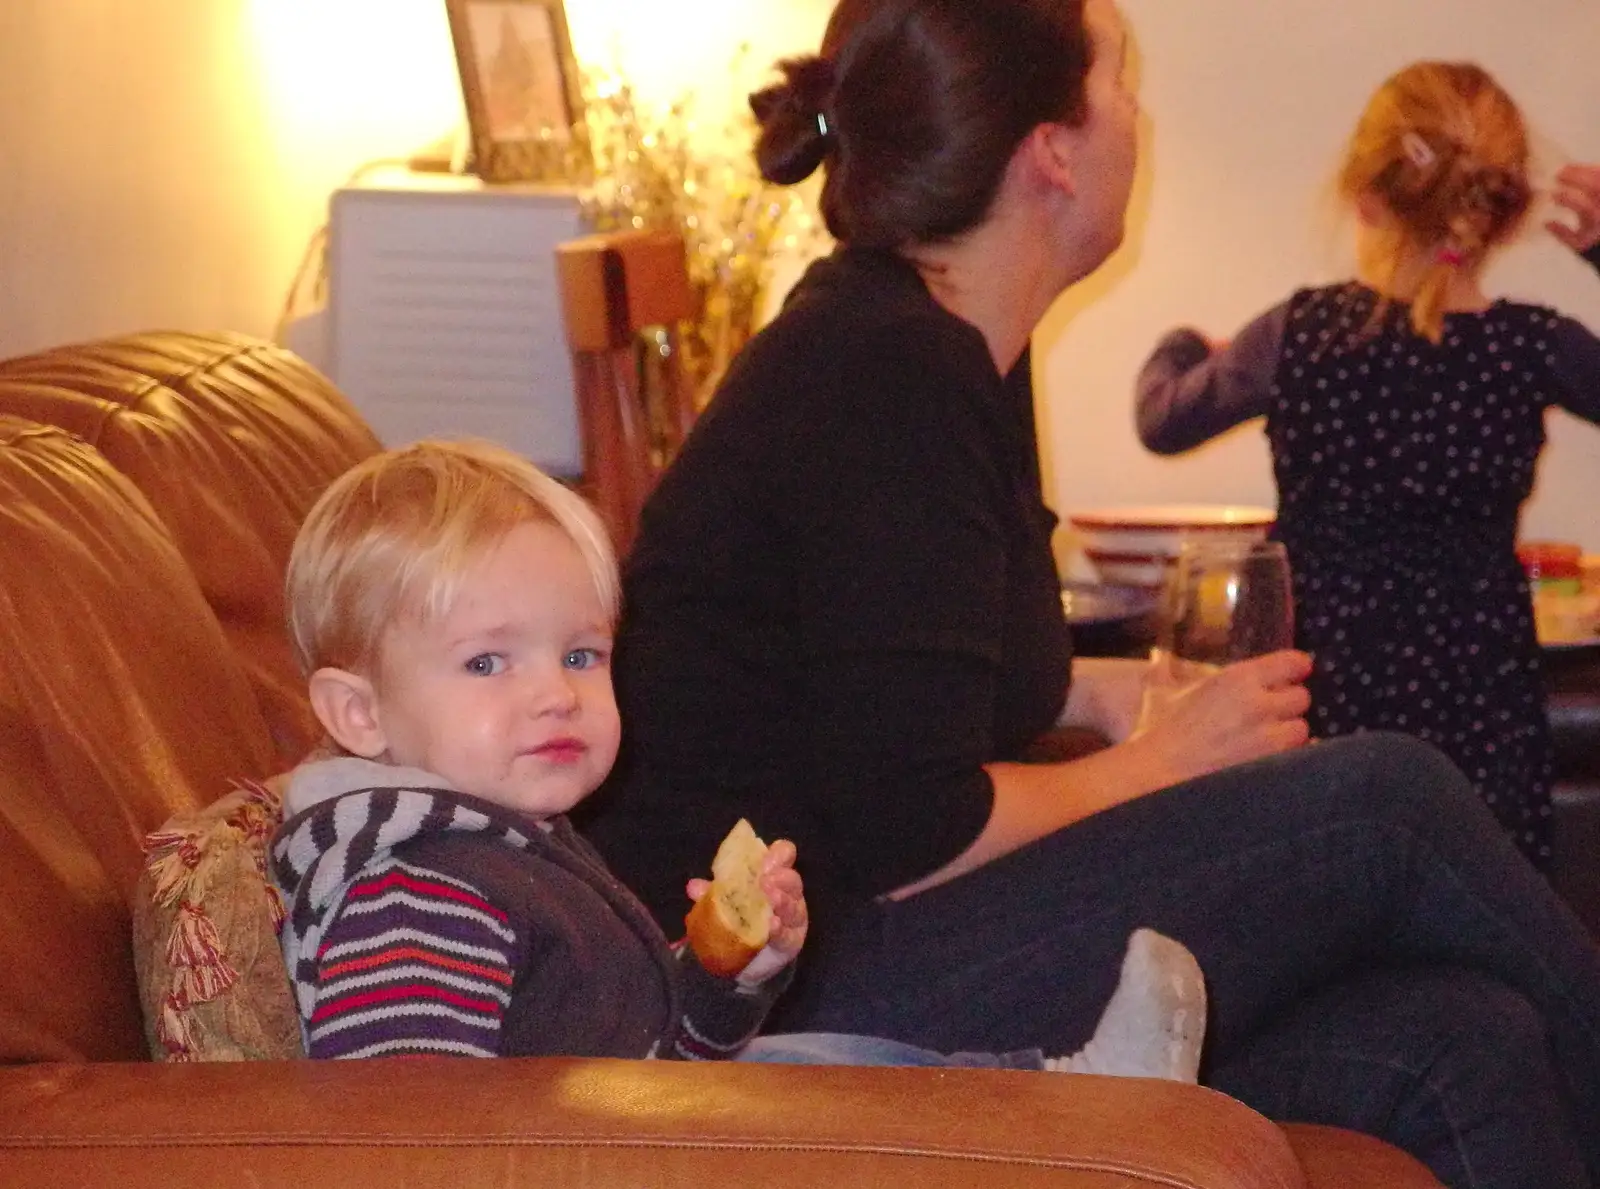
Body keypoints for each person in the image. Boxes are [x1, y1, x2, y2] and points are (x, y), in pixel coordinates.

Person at [576, 3, 1600, 1185]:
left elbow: (915, 680)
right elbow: (908, 827)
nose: (1141, 119)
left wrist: (1117, 698)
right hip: (761, 985)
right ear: (1050, 153)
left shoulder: (946, 348)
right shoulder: (884, 369)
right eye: (1122, 83)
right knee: (1387, 799)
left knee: (1465, 1038)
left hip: (854, 927)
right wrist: (1163, 762)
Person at [268, 437, 1205, 1078]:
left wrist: (724, 972)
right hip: (603, 1162)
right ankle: (1074, 1109)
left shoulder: (512, 848)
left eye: (581, 654)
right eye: (486, 661)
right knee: (819, 1083)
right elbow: (403, 1136)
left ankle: (1070, 1098)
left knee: (826, 1060)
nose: (556, 691)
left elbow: (660, 1051)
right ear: (359, 714)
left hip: (637, 1135)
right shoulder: (418, 889)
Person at [1134, 62, 1600, 871]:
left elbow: (1163, 419)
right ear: (1497, 212)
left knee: (1328, 917)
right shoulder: (1531, 346)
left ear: (1366, 195)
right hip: (1478, 700)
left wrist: (1181, 343)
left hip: (1323, 698)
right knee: (1480, 925)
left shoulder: (1300, 334)